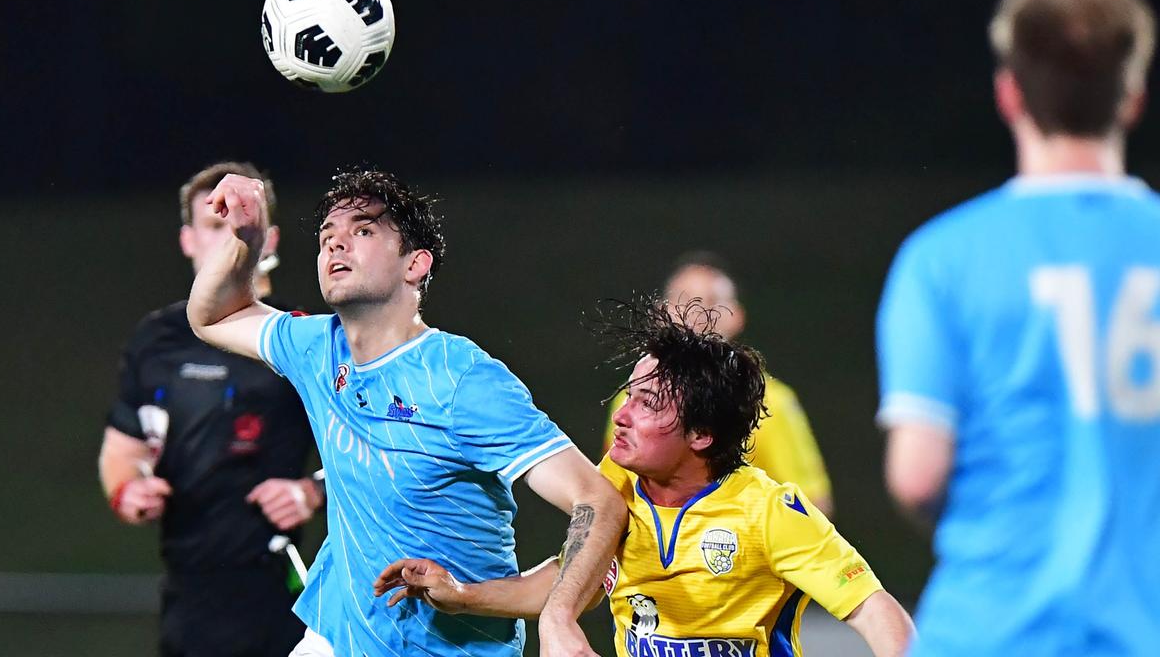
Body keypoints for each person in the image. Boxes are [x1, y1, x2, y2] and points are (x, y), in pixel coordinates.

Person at [186, 169, 627, 657]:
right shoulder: (317, 348)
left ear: (415, 264)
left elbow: (598, 502)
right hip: (336, 639)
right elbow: (212, 316)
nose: (336, 244)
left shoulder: (463, 380)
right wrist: (246, 238)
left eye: (363, 230)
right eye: (327, 237)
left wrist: (558, 616)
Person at [876, 0, 1160, 656]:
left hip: (989, 630)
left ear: (1009, 94)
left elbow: (918, 474)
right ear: (1131, 95)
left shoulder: (940, 259)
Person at [376, 300, 914, 657]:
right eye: (628, 395)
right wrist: (462, 594)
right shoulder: (613, 488)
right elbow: (574, 581)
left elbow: (879, 615)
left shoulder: (769, 513)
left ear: (701, 434)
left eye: (648, 403)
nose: (622, 415)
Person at [98, 161, 323, 657]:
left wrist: (312, 490)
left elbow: (369, 440)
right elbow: (121, 450)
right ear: (187, 240)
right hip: (188, 591)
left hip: (278, 590)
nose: (227, 238)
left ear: (268, 238)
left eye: (239, 222)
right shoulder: (155, 340)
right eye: (213, 224)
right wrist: (128, 490)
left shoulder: (296, 336)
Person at [603, 253, 833, 515]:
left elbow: (811, 505)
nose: (694, 314)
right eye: (682, 301)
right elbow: (613, 495)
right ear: (660, 312)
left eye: (710, 303)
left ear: (736, 316)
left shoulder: (771, 403)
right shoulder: (627, 402)